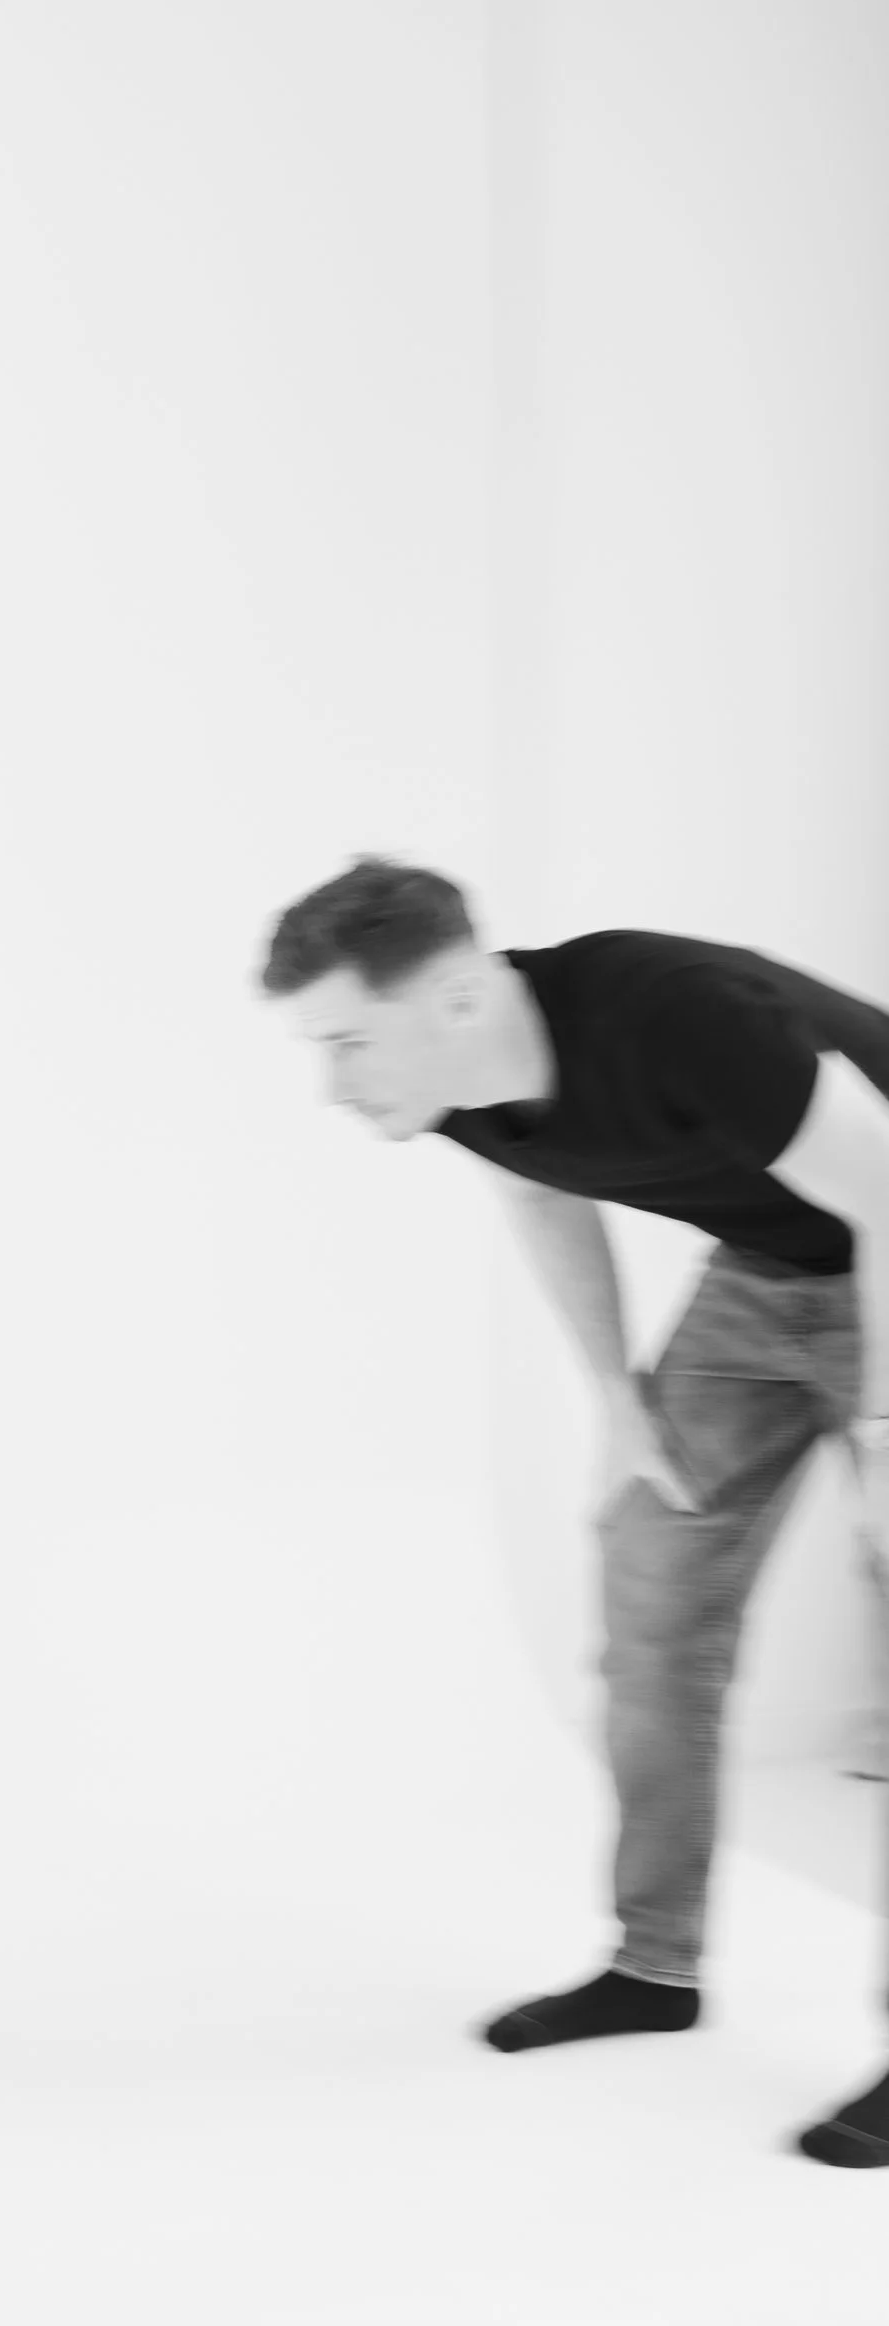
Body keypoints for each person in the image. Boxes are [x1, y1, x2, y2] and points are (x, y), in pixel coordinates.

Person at [260, 856, 889, 2164]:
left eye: (347, 1042)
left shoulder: (674, 1009)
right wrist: (618, 1400)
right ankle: (653, 1966)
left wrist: (884, 1427)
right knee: (652, 1590)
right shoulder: (461, 1083)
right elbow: (542, 1191)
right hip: (771, 1276)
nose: (332, 1086)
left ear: (454, 994)